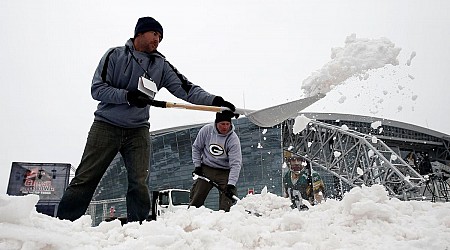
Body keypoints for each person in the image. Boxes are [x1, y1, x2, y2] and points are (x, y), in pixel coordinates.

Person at [56, 17, 237, 223]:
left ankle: (139, 227)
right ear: (139, 33)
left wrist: (216, 102)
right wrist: (128, 96)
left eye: (160, 37)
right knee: (86, 177)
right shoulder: (115, 55)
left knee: (140, 181)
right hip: (106, 126)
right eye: (154, 34)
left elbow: (187, 89)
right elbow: (97, 89)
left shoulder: (160, 65)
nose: (158, 40)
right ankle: (64, 223)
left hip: (138, 130)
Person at [189, 111, 242, 212]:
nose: (225, 127)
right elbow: (196, 148)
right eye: (222, 124)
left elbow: (236, 164)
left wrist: (231, 184)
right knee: (197, 195)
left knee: (228, 198)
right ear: (216, 123)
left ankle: (226, 219)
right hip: (207, 168)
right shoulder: (206, 130)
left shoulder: (233, 139)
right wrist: (198, 166)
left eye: (227, 124)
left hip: (224, 171)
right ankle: (191, 217)